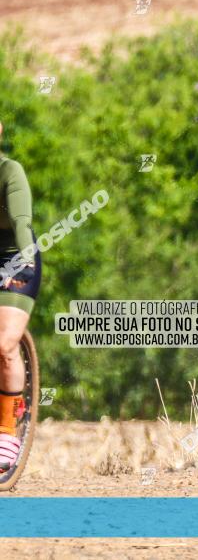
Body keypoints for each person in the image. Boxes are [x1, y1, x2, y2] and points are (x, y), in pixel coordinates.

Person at [0, 121, 41, 472]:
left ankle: (8, 430)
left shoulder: (9, 171)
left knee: (4, 345)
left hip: (16, 257)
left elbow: (20, 220)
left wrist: (25, 258)